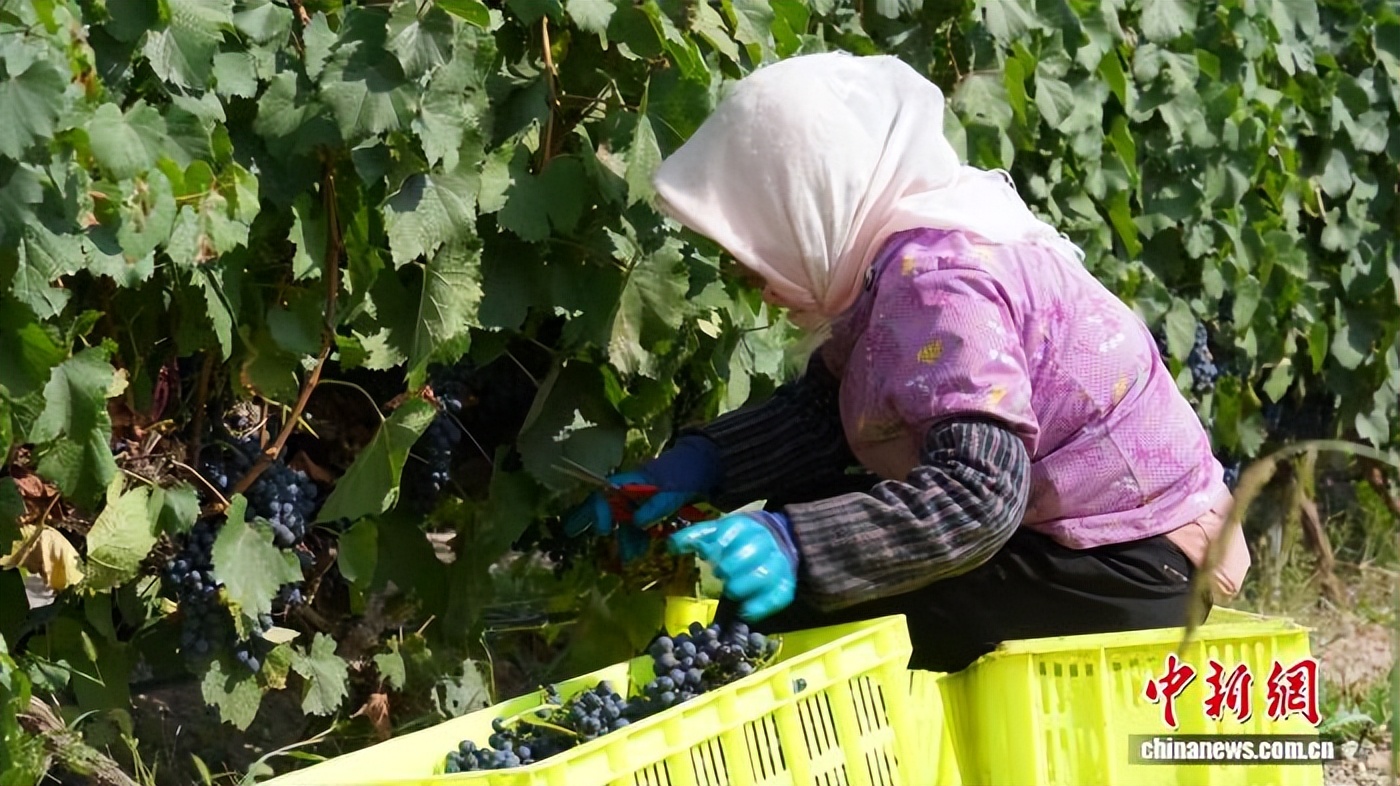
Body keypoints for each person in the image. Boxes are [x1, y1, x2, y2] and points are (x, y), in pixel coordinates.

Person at [564, 52, 1251, 673]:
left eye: (752, 245)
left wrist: (799, 546)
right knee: (806, 540)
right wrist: (699, 466)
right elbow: (826, 414)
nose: (746, 276)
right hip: (1098, 546)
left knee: (816, 622)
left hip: (1131, 566)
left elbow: (979, 496)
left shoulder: (940, 287)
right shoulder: (905, 255)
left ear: (810, 206)